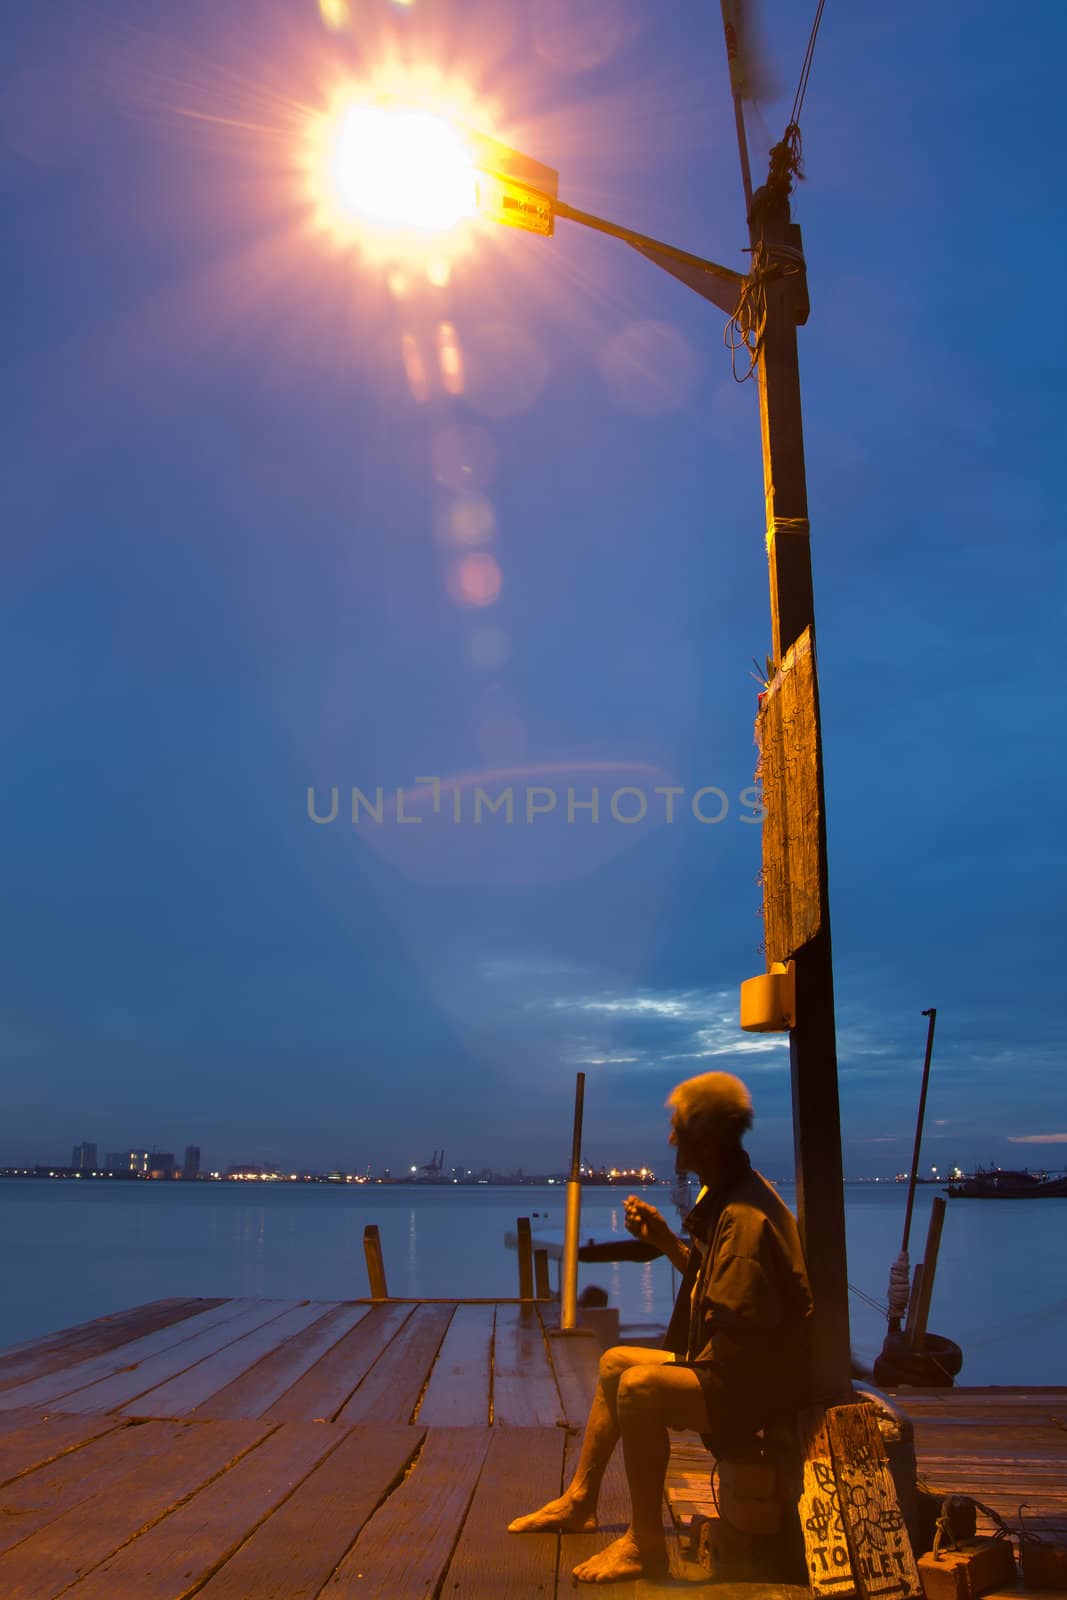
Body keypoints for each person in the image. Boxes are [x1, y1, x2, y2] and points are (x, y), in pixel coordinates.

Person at [507, 1070, 814, 1585]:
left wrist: (687, 1374)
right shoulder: (733, 1195)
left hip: (760, 1387)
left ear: (704, 1136)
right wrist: (666, 1239)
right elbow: (715, 1291)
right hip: (742, 1367)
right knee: (614, 1363)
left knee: (641, 1388)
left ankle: (643, 1543)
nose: (670, 1138)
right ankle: (580, 1499)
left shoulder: (743, 1217)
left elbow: (740, 1335)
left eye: (678, 1127)